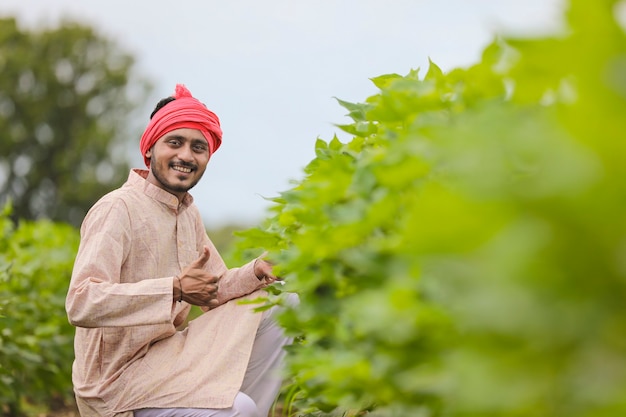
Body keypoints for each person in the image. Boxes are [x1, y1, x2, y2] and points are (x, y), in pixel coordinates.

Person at [66, 84, 294, 417]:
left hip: (168, 359)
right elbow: (81, 303)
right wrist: (175, 289)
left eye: (198, 147)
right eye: (175, 142)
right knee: (238, 409)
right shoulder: (118, 208)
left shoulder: (187, 213)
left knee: (281, 304)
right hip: (115, 384)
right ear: (149, 150)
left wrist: (257, 270)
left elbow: (213, 291)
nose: (186, 155)